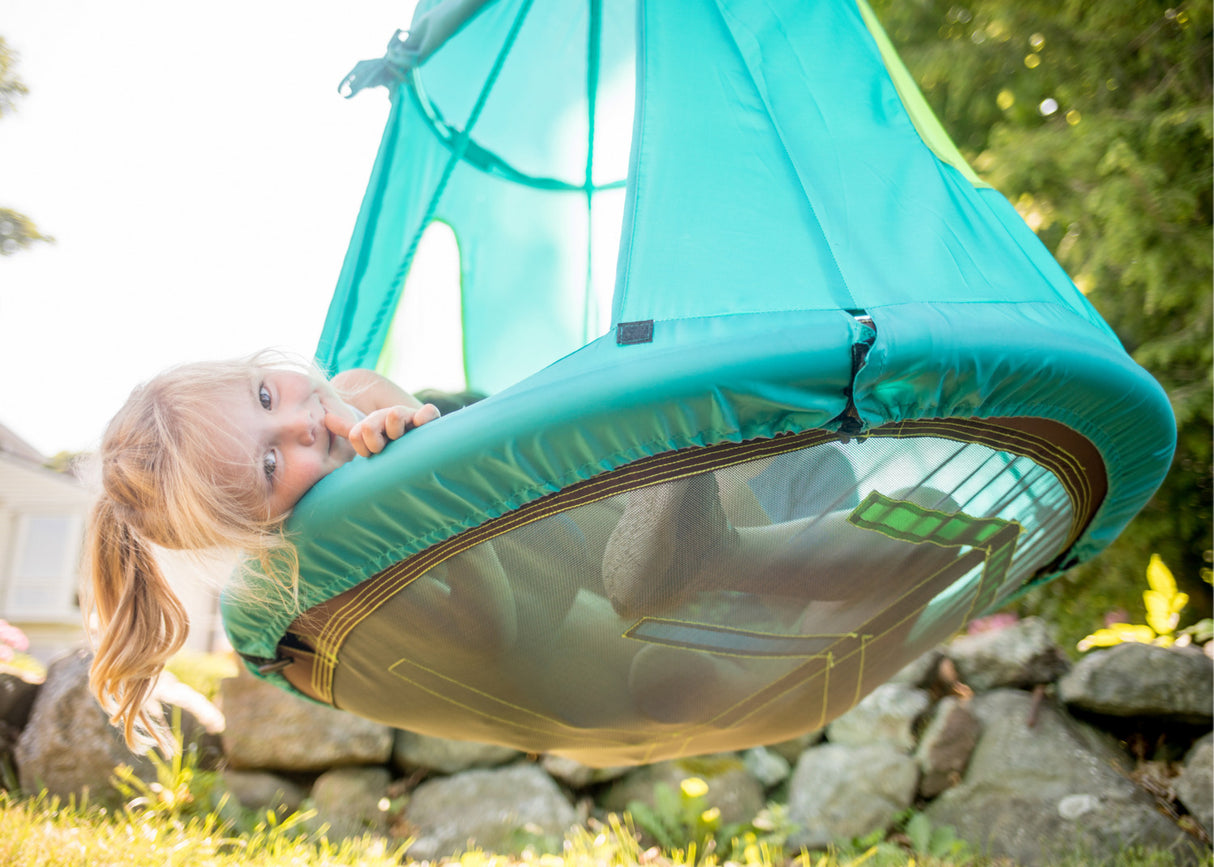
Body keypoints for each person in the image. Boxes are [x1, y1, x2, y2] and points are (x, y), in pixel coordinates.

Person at [85, 351, 441, 752]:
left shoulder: (360, 389)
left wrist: (413, 445)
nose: (300, 423)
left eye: (265, 397)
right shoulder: (326, 562)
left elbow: (474, 473)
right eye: (270, 464)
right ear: (262, 530)